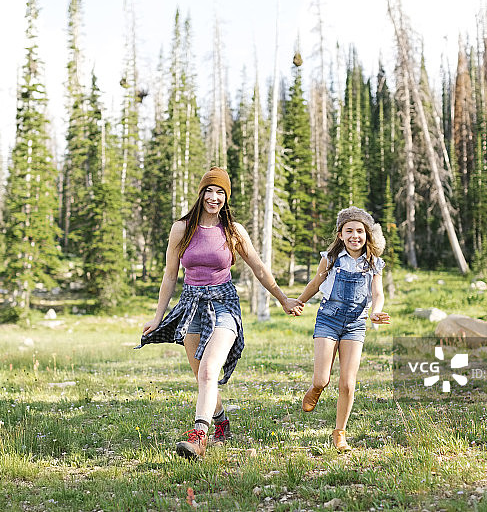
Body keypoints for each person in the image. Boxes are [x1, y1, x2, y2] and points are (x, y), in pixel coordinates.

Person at [138, 167, 303, 460]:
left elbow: (259, 268)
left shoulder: (234, 231)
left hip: (224, 304)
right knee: (201, 375)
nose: (214, 197)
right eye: (210, 191)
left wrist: (282, 298)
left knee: (209, 370)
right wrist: (157, 316)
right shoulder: (182, 228)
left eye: (221, 193)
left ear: (226, 198)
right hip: (191, 306)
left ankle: (198, 437)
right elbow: (169, 276)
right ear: (201, 194)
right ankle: (221, 422)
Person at [295, 206, 390, 452]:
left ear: (367, 235)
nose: (355, 236)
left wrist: (375, 312)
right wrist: (299, 301)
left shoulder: (374, 263)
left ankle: (340, 433)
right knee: (322, 378)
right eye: (349, 231)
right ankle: (315, 388)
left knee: (348, 383)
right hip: (328, 319)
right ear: (340, 234)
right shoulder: (330, 259)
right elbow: (316, 282)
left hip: (355, 324)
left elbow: (377, 293)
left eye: (360, 231)